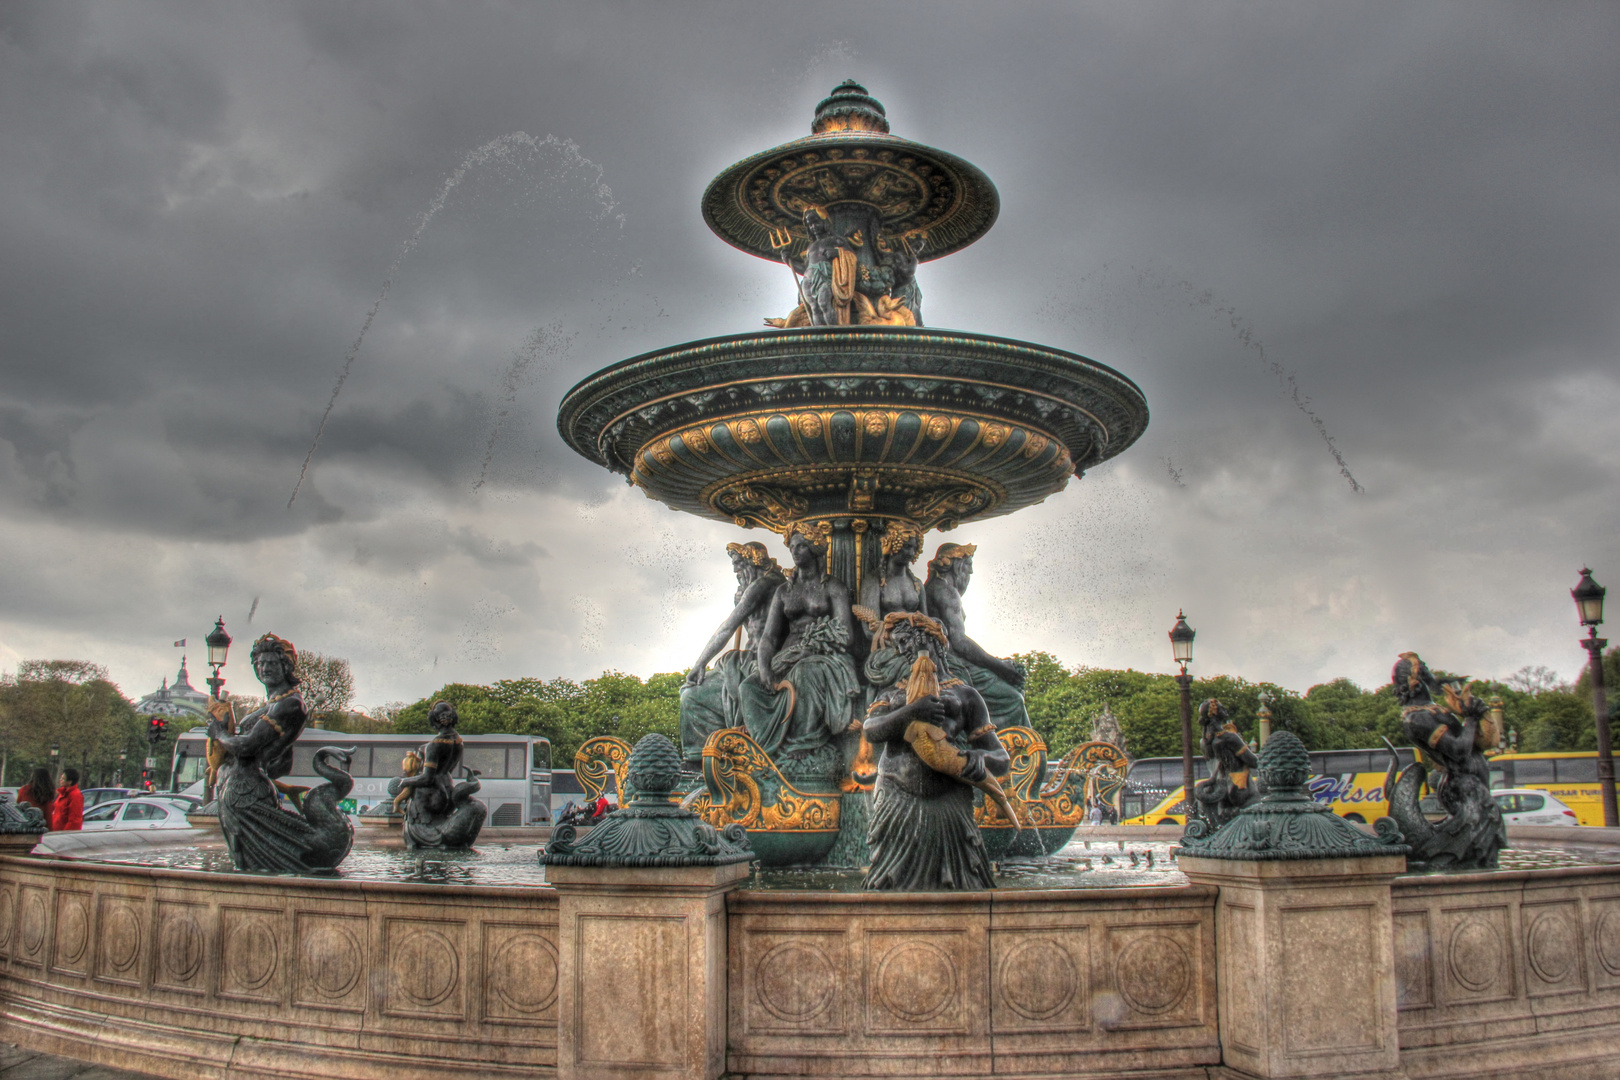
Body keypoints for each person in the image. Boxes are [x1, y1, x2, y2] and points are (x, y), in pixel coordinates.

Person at [862, 612, 1010, 890]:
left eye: (906, 641)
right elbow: (871, 731)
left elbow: (1001, 759)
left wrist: (981, 757)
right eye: (898, 644)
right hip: (898, 799)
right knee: (891, 887)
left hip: (949, 804)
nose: (902, 650)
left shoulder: (967, 696)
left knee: (960, 884)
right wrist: (911, 711)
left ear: (931, 639)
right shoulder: (893, 692)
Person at [740, 520, 863, 783]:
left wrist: (816, 645)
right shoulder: (784, 591)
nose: (794, 552)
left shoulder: (833, 587)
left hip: (827, 657)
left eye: (801, 546)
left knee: (806, 673)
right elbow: (769, 638)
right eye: (792, 547)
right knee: (748, 687)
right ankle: (766, 749)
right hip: (787, 657)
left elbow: (847, 634)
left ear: (815, 549)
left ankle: (803, 744)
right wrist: (764, 668)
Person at [679, 542, 787, 767]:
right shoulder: (749, 589)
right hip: (745, 660)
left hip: (765, 661)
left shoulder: (767, 584)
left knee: (693, 694)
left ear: (753, 561)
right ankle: (705, 758)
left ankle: (708, 760)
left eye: (739, 564)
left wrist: (700, 664)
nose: (735, 570)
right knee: (692, 694)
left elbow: (728, 627)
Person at [924, 543, 1030, 729]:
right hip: (950, 663)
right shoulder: (945, 591)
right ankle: (1017, 750)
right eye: (968, 564)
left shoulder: (934, 588)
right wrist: (999, 666)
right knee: (1012, 698)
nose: (971, 571)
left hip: (944, 659)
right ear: (957, 566)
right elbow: (959, 642)